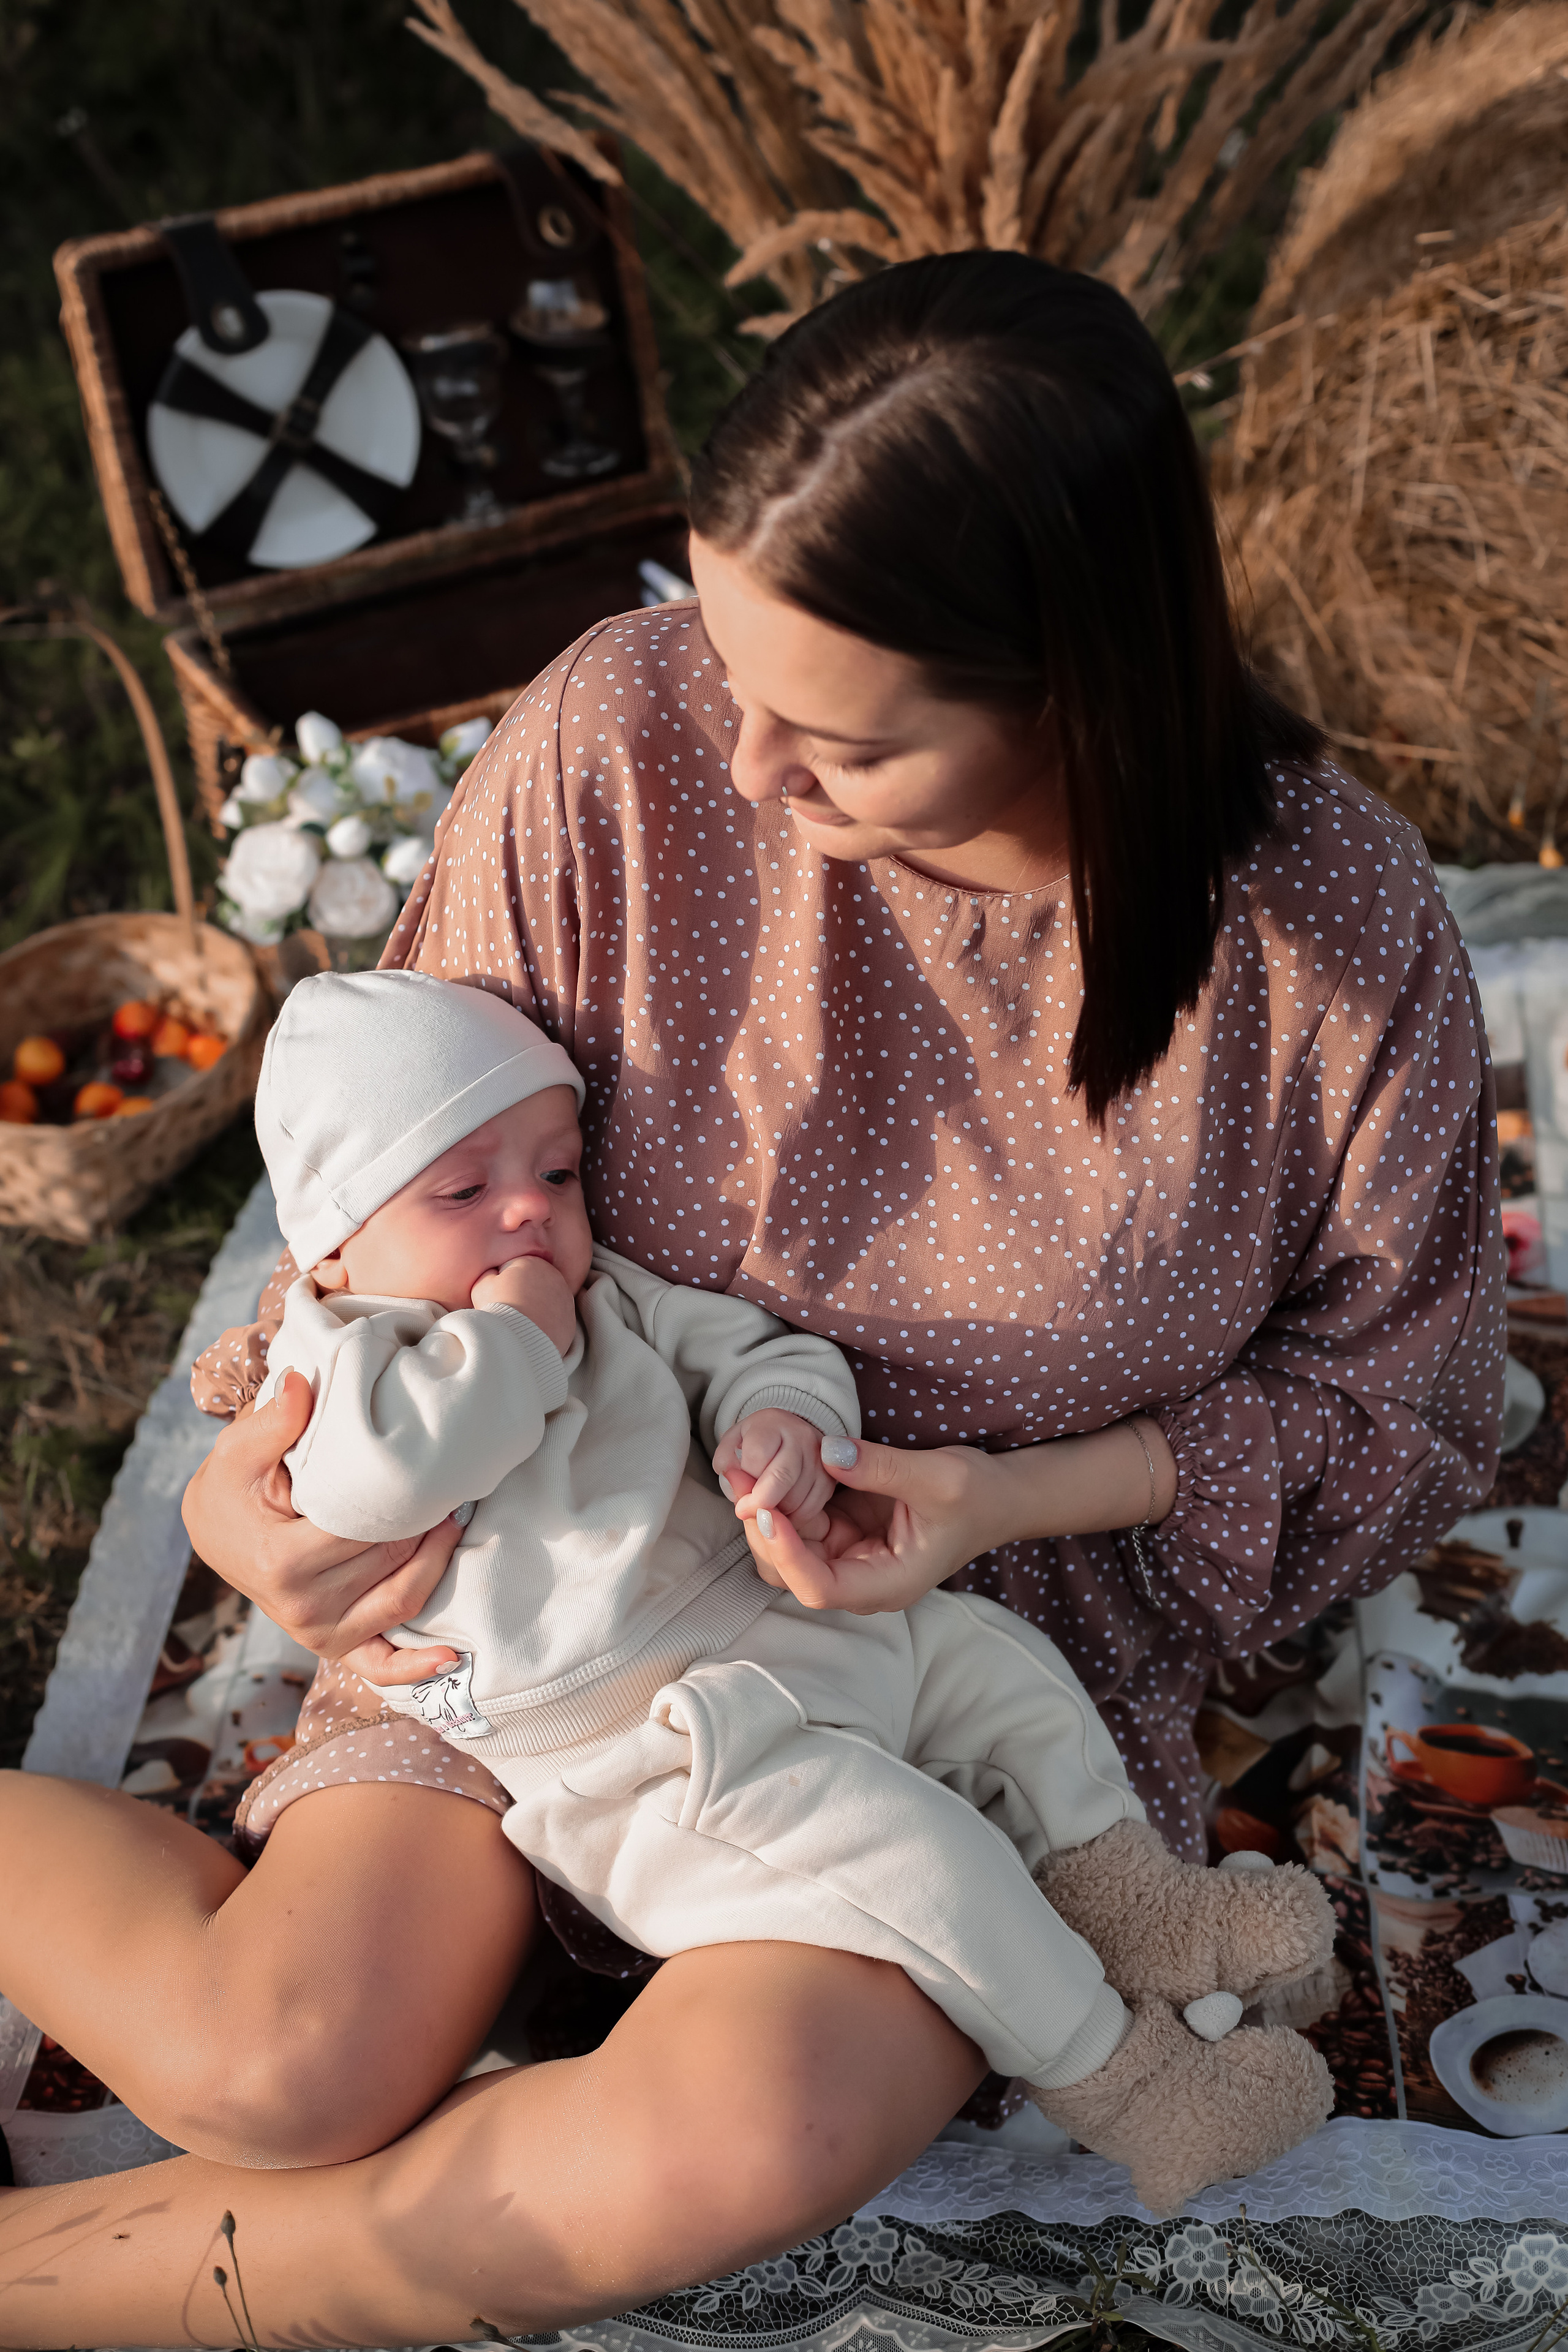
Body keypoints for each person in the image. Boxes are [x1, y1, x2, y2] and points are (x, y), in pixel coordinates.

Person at [0, 251, 1500, 2348]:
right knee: (284, 2064)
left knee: (752, 2125)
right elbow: (393, 1170)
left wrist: (996, 1503)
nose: (750, 780)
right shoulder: (627, 740)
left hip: (973, 1658)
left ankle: (74, 2295)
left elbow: (1402, 1413)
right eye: (730, 664)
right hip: (548, 1561)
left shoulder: (1328, 942)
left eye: (843, 741)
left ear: (1075, 684)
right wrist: (254, 1494)